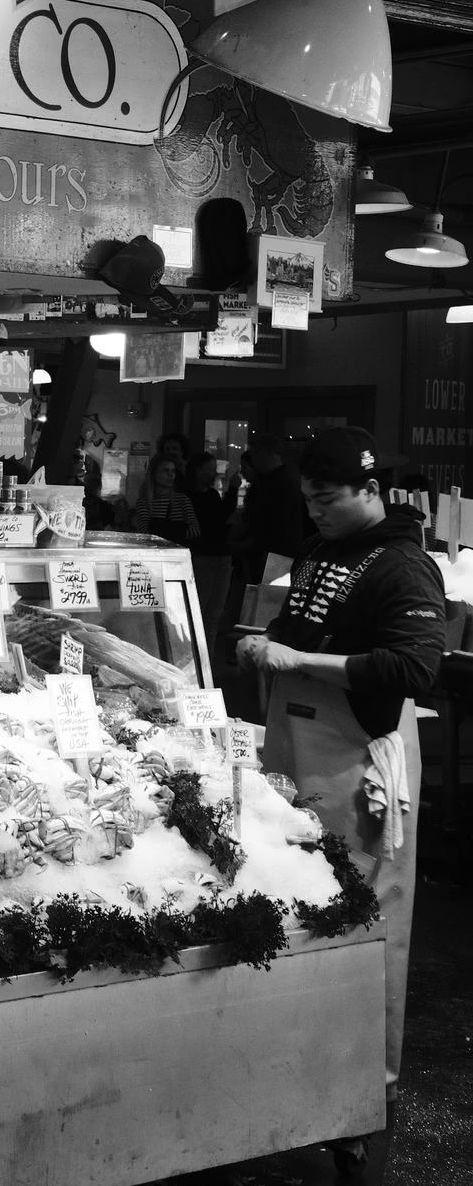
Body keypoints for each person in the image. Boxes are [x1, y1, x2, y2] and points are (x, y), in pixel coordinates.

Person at [235, 428, 445, 1118]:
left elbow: (414, 669)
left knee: (366, 910)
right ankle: (303, 1056)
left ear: (369, 490)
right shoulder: (325, 548)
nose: (316, 513)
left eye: (327, 500)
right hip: (298, 746)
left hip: (357, 754)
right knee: (301, 896)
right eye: (308, 502)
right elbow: (303, 621)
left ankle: (366, 1078)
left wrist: (300, 664)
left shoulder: (404, 566)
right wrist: (270, 644)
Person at [228, 432, 311, 579]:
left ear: (262, 453)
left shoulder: (279, 484)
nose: (253, 461)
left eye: (254, 455)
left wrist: (246, 544)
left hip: (273, 556)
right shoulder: (284, 480)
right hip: (274, 553)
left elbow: (275, 525)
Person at [185, 452, 234, 643]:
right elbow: (219, 520)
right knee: (201, 615)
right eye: (211, 469)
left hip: (217, 556)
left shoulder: (211, 494)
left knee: (211, 616)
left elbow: (220, 519)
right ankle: (200, 667)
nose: (214, 473)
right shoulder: (187, 496)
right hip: (202, 557)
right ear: (197, 470)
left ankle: (207, 667)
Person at [125, 454, 199, 545]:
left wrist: (161, 532)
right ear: (153, 474)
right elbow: (144, 534)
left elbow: (195, 531)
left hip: (178, 553)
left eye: (173, 471)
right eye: (166, 471)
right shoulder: (144, 502)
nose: (171, 475)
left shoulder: (182, 500)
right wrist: (178, 530)